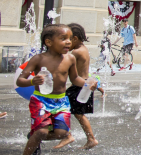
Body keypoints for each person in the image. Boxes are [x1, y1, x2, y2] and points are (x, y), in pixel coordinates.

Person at [16, 24, 97, 154]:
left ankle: (35, 135)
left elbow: (75, 78)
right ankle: (34, 140)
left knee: (62, 133)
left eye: (70, 38)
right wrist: (32, 81)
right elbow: (19, 81)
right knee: (42, 131)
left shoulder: (70, 58)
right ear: (48, 42)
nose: (69, 42)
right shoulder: (39, 59)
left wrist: (88, 84)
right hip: (40, 101)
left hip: (61, 102)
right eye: (63, 38)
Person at [66, 23, 104, 149]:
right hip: (85, 84)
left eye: (68, 39)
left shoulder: (75, 52)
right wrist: (97, 86)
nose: (66, 42)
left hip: (80, 86)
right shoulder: (84, 49)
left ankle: (89, 138)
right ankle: (86, 138)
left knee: (74, 112)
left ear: (75, 38)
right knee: (76, 113)